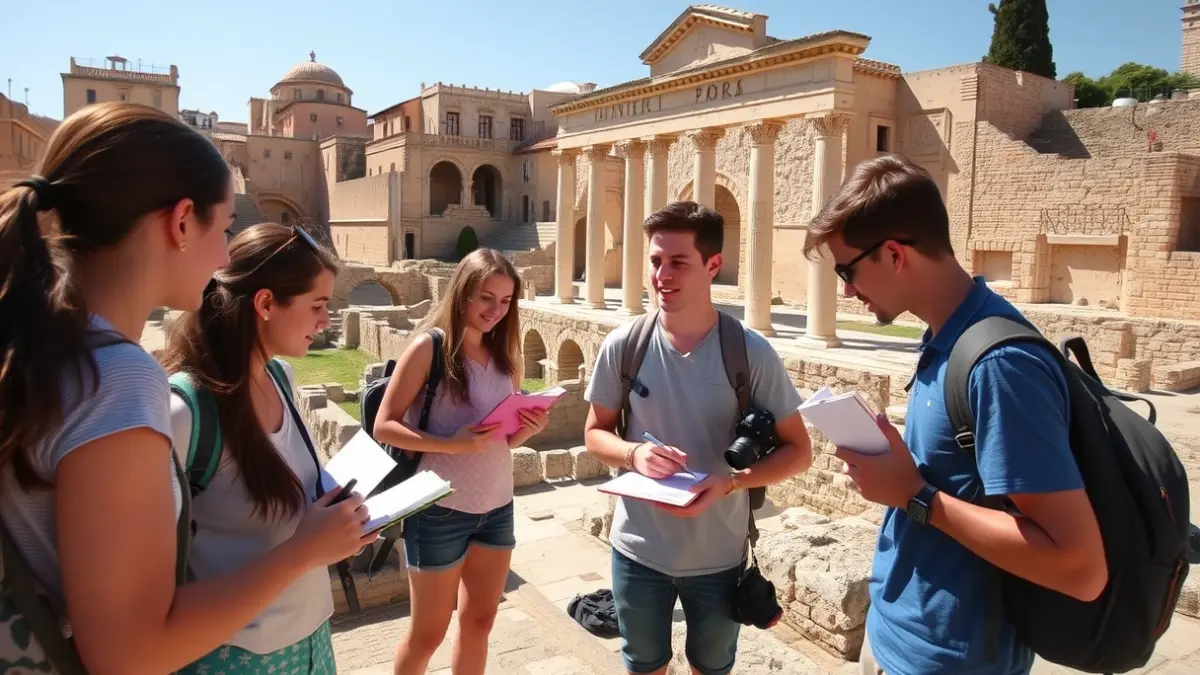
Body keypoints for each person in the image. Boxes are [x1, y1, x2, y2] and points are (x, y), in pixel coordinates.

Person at [0, 101, 370, 675]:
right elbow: (129, 653)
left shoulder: (45, 346)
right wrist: (303, 552)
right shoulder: (116, 381)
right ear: (179, 223)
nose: (225, 257)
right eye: (222, 229)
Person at [804, 153, 1107, 675]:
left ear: (895, 254)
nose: (847, 289)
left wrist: (914, 495)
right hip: (900, 636)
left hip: (951, 660)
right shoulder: (946, 337)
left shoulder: (1000, 366)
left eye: (847, 270)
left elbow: (1080, 569)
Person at [583, 201, 813, 675]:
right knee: (644, 666)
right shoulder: (625, 346)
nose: (662, 275)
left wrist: (729, 482)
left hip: (719, 556)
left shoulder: (750, 353)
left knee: (710, 668)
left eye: (678, 262)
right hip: (637, 549)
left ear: (713, 265)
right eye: (655, 261)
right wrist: (634, 452)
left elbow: (800, 451)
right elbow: (594, 433)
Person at [160, 221, 373, 673]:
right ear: (265, 303)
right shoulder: (184, 415)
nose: (325, 320)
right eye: (317, 305)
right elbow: (148, 604)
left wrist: (340, 526)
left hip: (313, 637)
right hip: (235, 656)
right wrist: (307, 549)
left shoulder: (281, 378)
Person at [372, 247, 550, 675]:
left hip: (496, 507)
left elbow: (498, 441)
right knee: (427, 634)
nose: (496, 310)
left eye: (506, 301)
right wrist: (455, 445)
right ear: (463, 294)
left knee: (480, 622)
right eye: (487, 297)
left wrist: (529, 428)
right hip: (438, 509)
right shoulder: (428, 349)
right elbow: (385, 425)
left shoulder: (505, 355)